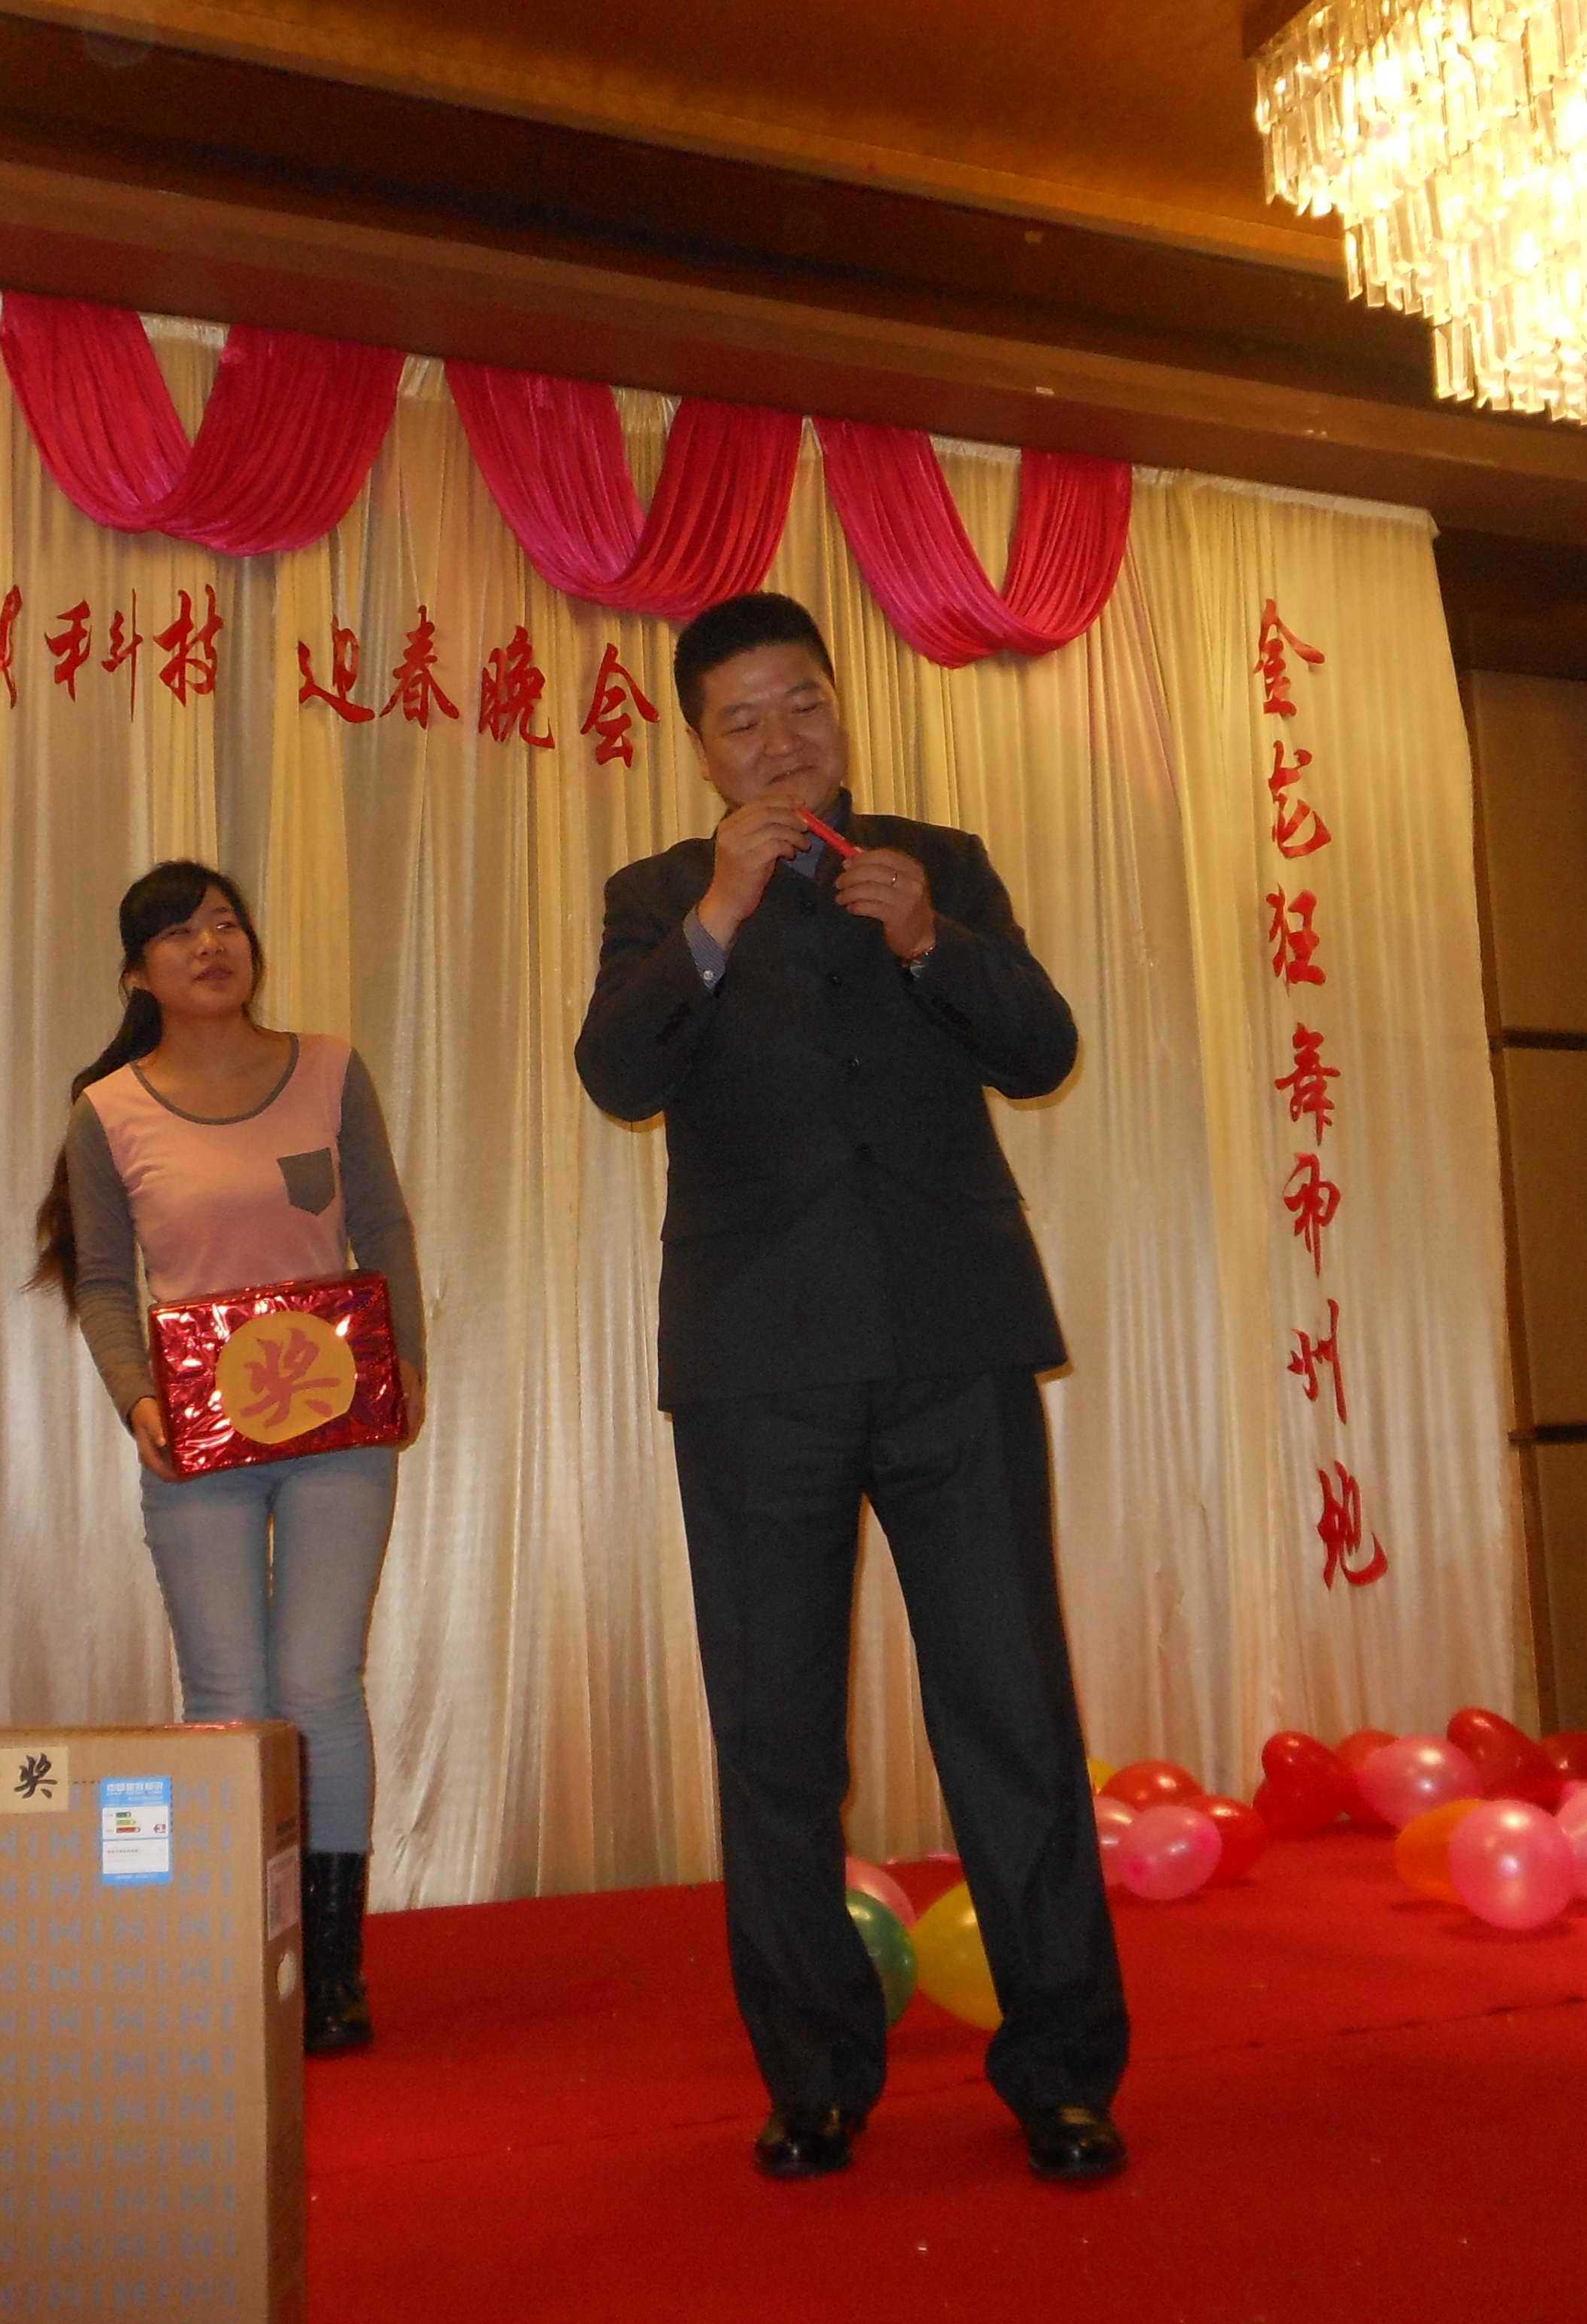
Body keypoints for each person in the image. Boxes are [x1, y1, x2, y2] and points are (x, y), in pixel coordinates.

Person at [573, 594, 1127, 2183]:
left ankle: (1064, 2071)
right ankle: (814, 2073)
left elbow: (1040, 1049)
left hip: (953, 1342)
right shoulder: (657, 896)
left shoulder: (937, 863)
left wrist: (931, 941)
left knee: (1012, 1708)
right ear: (701, 749)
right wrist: (715, 917)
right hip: (757, 1367)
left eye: (801, 705)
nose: (780, 742)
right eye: (742, 720)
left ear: (840, 709)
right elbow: (616, 1074)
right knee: (777, 1736)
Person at [33, 861, 425, 2054]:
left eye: (225, 923)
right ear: (137, 973)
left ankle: (333, 1970)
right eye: (179, 932)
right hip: (198, 1433)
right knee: (227, 1698)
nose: (211, 945)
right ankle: (242, 1957)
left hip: (338, 1424)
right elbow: (105, 1282)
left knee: (319, 1686)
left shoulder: (330, 1069)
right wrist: (136, 1400)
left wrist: (405, 1368)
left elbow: (383, 1227)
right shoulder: (109, 1111)